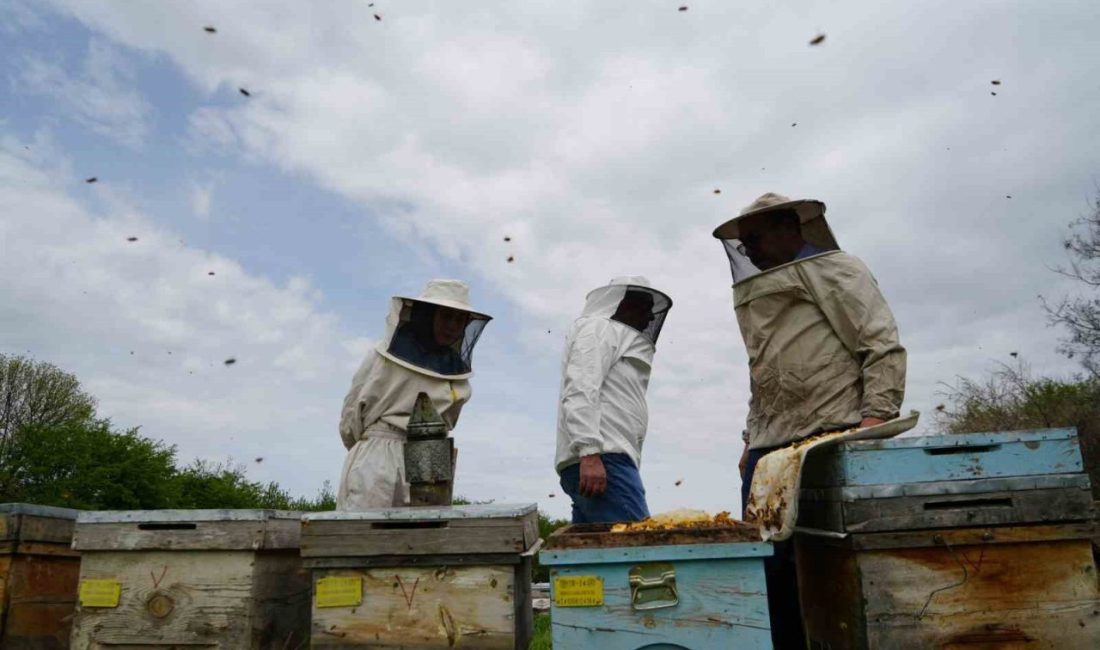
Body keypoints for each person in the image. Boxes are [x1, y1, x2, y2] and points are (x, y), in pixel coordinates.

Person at [713, 192, 907, 649]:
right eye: (743, 245)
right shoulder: (767, 290)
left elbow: (880, 343)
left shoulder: (838, 270)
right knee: (770, 569)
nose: (749, 251)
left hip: (829, 436)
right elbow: (767, 371)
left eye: (755, 239)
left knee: (828, 565)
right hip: (770, 447)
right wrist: (750, 440)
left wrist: (875, 418)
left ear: (788, 228)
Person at [337, 279, 492, 510]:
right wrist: (371, 446)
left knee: (423, 532)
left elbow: (447, 424)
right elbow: (351, 417)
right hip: (377, 458)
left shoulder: (457, 375)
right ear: (428, 315)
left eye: (459, 319)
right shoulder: (382, 356)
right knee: (364, 530)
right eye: (446, 316)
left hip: (430, 461)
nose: (452, 326)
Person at [555, 276, 673, 524]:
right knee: (636, 543)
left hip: (602, 458)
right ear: (623, 304)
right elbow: (580, 388)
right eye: (645, 309)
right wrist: (589, 452)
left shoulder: (611, 334)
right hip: (603, 458)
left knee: (594, 546)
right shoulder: (598, 328)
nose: (650, 318)